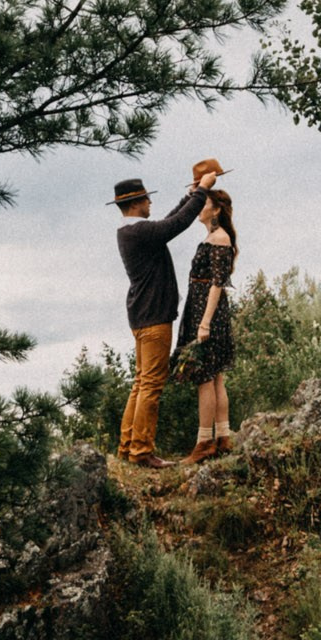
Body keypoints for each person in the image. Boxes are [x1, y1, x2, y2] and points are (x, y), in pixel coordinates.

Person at [112, 162, 218, 467]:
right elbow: (175, 225)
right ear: (135, 203)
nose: (150, 203)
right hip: (154, 317)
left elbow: (170, 220)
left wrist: (189, 196)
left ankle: (127, 446)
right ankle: (142, 452)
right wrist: (202, 191)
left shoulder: (132, 231)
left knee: (141, 381)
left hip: (142, 315)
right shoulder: (141, 232)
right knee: (152, 384)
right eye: (146, 199)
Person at [180, 179, 238, 464]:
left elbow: (217, 283)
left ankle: (204, 443)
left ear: (215, 210)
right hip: (203, 308)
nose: (198, 209)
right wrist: (196, 189)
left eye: (203, 204)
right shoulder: (214, 236)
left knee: (205, 377)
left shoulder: (220, 238)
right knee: (214, 377)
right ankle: (223, 437)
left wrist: (204, 323)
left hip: (208, 312)